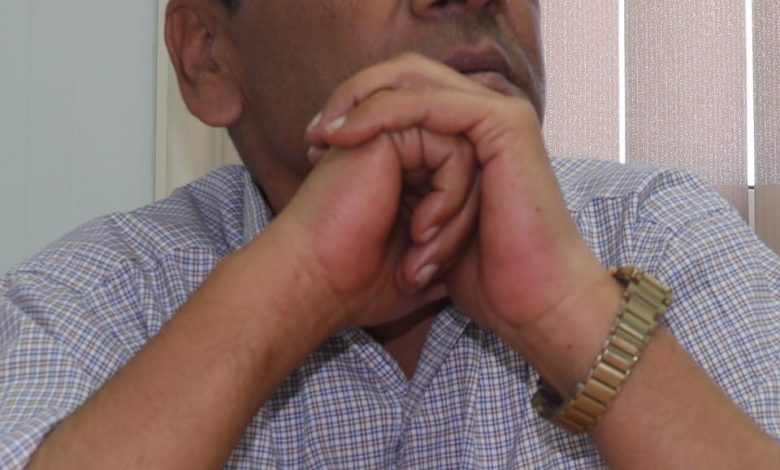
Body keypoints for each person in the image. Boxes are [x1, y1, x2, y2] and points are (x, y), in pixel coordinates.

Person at [1, 0, 778, 468]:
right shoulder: (95, 300)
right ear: (209, 54)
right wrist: (295, 289)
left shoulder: (659, 234)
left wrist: (564, 314)